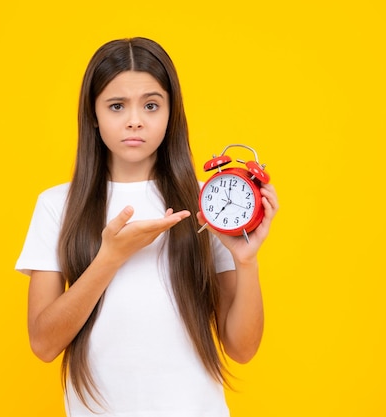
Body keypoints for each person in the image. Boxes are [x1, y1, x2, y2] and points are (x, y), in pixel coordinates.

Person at [15, 37, 278, 417]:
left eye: (151, 105)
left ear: (172, 113)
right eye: (117, 105)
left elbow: (242, 348)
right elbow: (43, 343)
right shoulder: (57, 205)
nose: (135, 120)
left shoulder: (210, 201)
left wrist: (247, 261)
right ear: (93, 114)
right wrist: (110, 258)